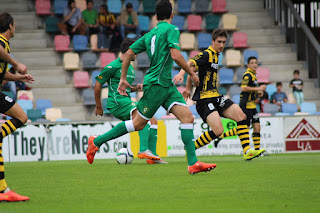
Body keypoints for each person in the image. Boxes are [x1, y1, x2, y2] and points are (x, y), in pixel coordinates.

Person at [87, 0, 217, 174]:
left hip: (166, 85)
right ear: (172, 14)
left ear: (156, 17)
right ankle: (96, 142)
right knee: (138, 124)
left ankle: (193, 163)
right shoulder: (172, 29)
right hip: (156, 85)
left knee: (187, 118)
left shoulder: (148, 35)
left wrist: (123, 78)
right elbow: (176, 55)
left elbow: (128, 55)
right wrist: (192, 74)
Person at [176, 29, 265, 160]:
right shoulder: (207, 54)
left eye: (224, 42)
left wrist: (189, 88)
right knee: (218, 131)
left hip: (216, 97)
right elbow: (189, 64)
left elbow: (193, 72)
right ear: (213, 41)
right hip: (204, 99)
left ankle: (247, 151)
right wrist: (181, 75)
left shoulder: (217, 55)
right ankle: (192, 147)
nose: (222, 45)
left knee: (241, 116)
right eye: (219, 42)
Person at [94, 38, 166, 164]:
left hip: (125, 100)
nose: (137, 53)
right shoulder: (113, 66)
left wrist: (135, 88)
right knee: (142, 115)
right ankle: (143, 150)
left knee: (152, 119)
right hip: (116, 102)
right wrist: (99, 106)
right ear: (129, 51)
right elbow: (97, 84)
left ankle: (152, 157)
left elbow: (124, 89)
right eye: (135, 50)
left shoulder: (130, 68)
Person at [0, 12, 35, 202]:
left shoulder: (4, 45)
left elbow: (2, 75)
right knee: (21, 116)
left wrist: (18, 77)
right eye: (14, 25)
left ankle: (3, 190)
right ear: (11, 26)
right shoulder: (1, 43)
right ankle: (3, 191)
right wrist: (16, 63)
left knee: (22, 116)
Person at [214, 57, 266, 152]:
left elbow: (251, 90)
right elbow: (243, 88)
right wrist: (258, 89)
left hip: (253, 105)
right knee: (244, 128)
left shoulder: (254, 75)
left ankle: (258, 151)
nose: (254, 64)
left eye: (256, 63)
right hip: (246, 105)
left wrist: (258, 93)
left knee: (257, 127)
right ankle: (221, 136)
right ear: (248, 65)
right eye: (252, 63)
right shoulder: (247, 75)